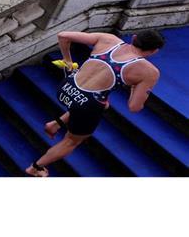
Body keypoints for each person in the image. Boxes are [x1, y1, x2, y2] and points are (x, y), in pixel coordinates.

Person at [26, 29, 163, 177]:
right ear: (154, 51)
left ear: (134, 37)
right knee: (72, 141)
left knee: (101, 102)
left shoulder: (109, 39)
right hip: (85, 104)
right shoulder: (149, 72)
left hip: (65, 88)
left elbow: (63, 35)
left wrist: (68, 61)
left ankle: (56, 124)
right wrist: (135, 86)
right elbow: (134, 107)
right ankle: (35, 168)